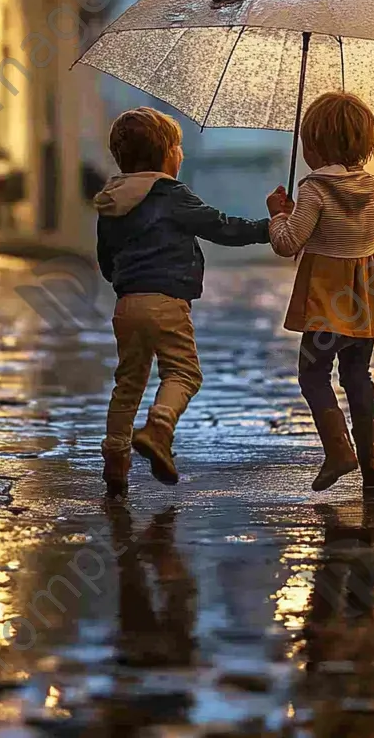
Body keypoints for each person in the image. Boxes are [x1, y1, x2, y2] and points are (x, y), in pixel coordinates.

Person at [95, 107, 270, 496]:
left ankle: (115, 460)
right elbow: (220, 226)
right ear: (166, 154)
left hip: (127, 304)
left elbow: (106, 257)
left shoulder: (112, 200)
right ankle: (159, 428)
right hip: (167, 301)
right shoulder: (171, 195)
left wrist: (123, 281)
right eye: (178, 147)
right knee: (183, 373)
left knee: (128, 383)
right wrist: (269, 228)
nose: (182, 154)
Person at [266, 91, 374, 492]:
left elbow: (287, 243)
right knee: (357, 376)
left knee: (313, 373)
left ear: (313, 146)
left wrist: (278, 213)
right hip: (365, 300)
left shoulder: (313, 190)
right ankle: (372, 461)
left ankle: (338, 451)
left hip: (325, 302)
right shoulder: (373, 190)